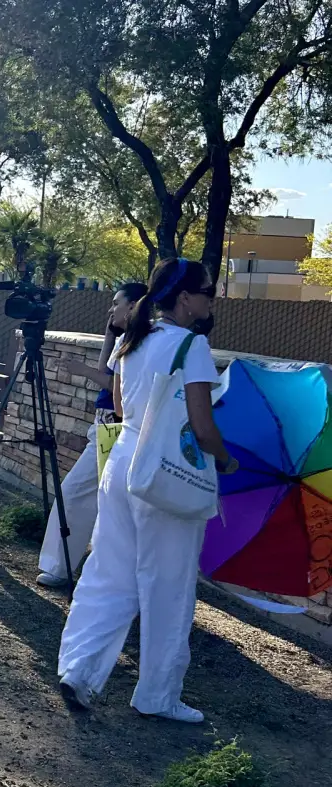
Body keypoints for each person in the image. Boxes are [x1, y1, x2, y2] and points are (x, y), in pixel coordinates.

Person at [57, 257, 234, 723]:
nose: (211, 300)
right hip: (167, 474)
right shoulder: (192, 346)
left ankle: (78, 670)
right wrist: (225, 458)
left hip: (121, 464)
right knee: (168, 586)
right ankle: (158, 694)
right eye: (207, 292)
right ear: (185, 298)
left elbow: (119, 406)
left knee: (108, 573)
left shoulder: (134, 338)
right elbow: (202, 426)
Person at [36, 282, 149, 588]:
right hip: (104, 427)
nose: (111, 309)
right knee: (90, 497)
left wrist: (81, 370)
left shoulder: (142, 343)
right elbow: (106, 373)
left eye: (116, 303)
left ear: (133, 306)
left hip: (116, 428)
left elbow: (119, 390)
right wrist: (110, 335)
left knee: (78, 493)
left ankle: (62, 568)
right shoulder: (126, 339)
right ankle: (64, 567)